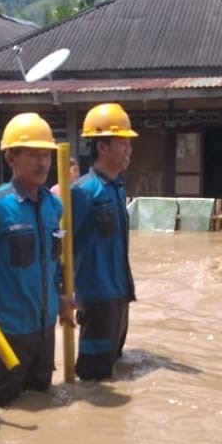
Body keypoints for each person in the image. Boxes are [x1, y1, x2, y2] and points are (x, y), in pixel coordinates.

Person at [0, 113, 73, 407]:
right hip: (8, 331)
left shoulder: (54, 205)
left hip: (46, 328)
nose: (42, 163)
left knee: (42, 405)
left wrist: (60, 296)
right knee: (2, 409)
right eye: (33, 155)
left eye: (45, 154)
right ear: (11, 158)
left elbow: (54, 261)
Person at [70, 103, 138, 381]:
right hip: (96, 299)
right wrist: (63, 295)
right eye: (123, 143)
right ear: (102, 147)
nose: (129, 150)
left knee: (114, 371)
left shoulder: (117, 188)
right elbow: (61, 245)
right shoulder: (83, 191)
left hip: (120, 294)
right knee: (93, 379)